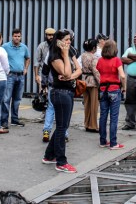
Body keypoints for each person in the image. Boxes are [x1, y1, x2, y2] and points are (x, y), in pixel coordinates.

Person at [42, 30, 82, 173]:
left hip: (69, 92)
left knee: (63, 126)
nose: (69, 42)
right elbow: (65, 72)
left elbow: (78, 70)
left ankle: (48, 155)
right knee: (61, 127)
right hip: (59, 93)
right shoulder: (55, 55)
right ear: (58, 41)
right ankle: (61, 162)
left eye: (70, 39)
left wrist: (70, 76)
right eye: (66, 39)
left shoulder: (70, 51)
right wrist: (65, 56)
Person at [97, 40, 126, 149]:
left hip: (103, 90)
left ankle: (103, 141)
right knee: (114, 117)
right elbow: (122, 76)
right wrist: (124, 88)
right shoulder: (116, 60)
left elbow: (99, 71)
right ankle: (113, 143)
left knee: (103, 116)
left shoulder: (100, 60)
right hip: (114, 89)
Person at [1, 28, 30, 129]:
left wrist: (26, 68)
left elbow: (28, 58)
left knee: (17, 99)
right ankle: (4, 121)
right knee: (6, 99)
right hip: (10, 76)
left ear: (21, 37)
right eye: (15, 36)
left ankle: (14, 119)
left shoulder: (24, 47)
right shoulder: (5, 46)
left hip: (21, 75)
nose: (17, 38)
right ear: (12, 37)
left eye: (18, 36)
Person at [80, 38, 100, 133]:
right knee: (94, 105)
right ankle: (93, 125)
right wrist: (101, 83)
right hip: (92, 82)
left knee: (87, 104)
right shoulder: (94, 57)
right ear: (93, 48)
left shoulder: (83, 55)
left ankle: (86, 124)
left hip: (84, 81)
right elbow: (95, 71)